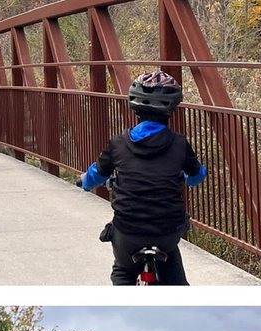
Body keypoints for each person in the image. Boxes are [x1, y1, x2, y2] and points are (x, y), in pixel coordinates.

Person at [78, 70, 207, 285]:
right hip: (167, 233)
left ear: (135, 107)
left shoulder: (118, 143)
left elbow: (96, 174)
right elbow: (196, 176)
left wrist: (84, 181)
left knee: (123, 272)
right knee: (175, 278)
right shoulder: (179, 144)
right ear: (171, 108)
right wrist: (186, 175)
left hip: (129, 232)